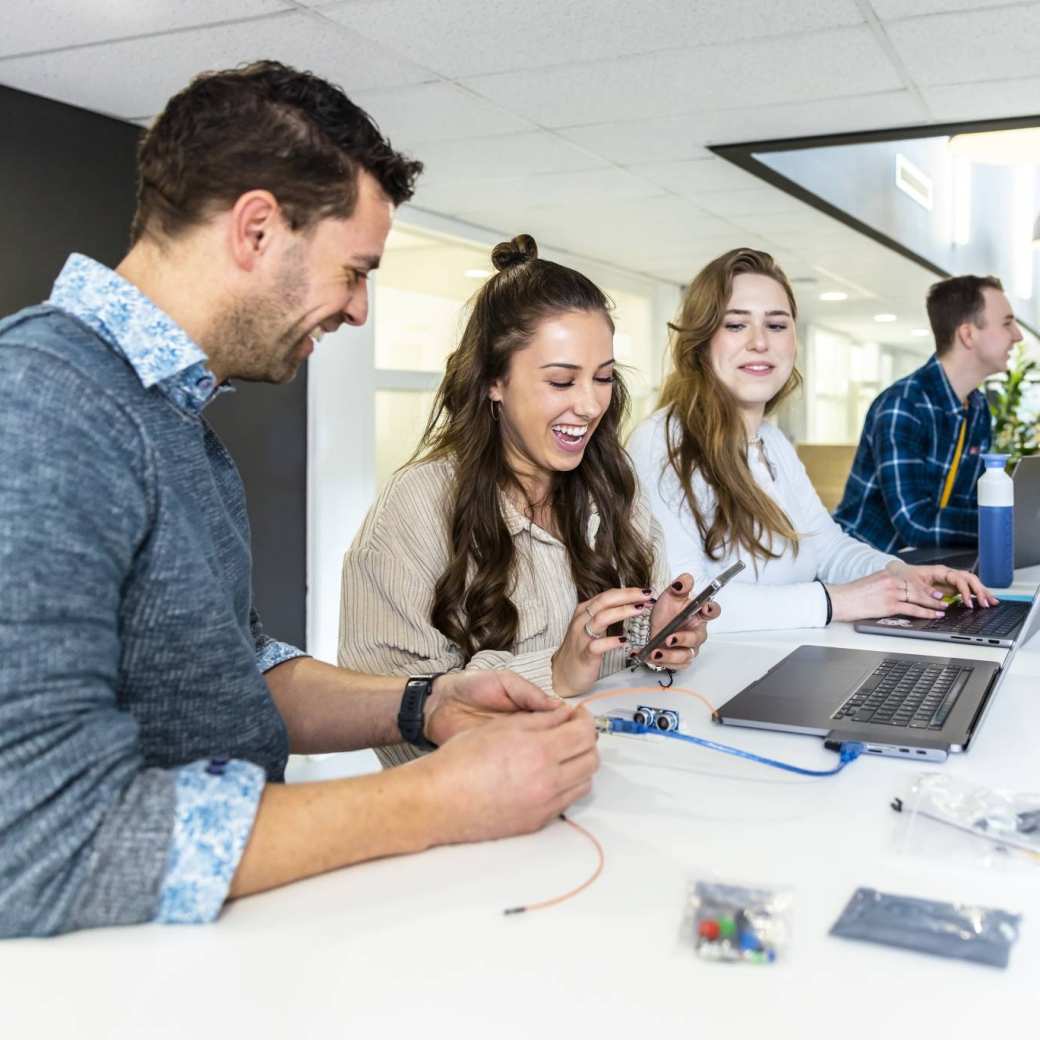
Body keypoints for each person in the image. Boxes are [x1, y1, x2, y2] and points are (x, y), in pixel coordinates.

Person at [0, 63, 600, 940]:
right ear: (255, 229)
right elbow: (39, 841)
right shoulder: (43, 404)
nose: (359, 311)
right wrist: (431, 798)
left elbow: (239, 672)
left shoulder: (173, 425)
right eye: (354, 271)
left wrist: (426, 701)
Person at [339, 234, 719, 766]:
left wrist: (653, 633)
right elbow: (393, 722)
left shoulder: (610, 483)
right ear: (494, 381)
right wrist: (555, 673)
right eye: (561, 380)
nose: (589, 406)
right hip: (484, 806)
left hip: (614, 778)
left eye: (604, 378)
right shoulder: (416, 506)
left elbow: (617, 667)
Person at [627, 248, 992, 634]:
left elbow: (828, 548)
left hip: (790, 661)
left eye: (777, 325)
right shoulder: (663, 443)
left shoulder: (771, 441)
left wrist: (899, 574)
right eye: (735, 325)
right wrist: (836, 600)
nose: (760, 342)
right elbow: (684, 606)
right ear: (701, 342)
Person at [834, 274, 1022, 552]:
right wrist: (1003, 525)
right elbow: (917, 524)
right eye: (1007, 323)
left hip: (930, 565)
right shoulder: (903, 405)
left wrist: (1009, 523)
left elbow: (970, 505)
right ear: (968, 334)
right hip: (866, 568)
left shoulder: (978, 409)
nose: (1017, 335)